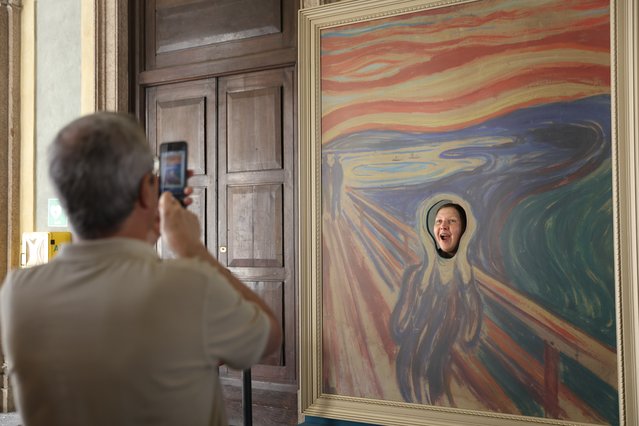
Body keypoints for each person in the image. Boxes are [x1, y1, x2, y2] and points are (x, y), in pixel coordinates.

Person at [0, 112, 282, 426]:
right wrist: (190, 248)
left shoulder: (17, 292)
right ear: (146, 191)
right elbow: (269, 335)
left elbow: (115, 287)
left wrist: (146, 227)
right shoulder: (191, 286)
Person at [390, 197, 481, 406]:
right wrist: (427, 270)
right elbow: (400, 328)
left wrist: (466, 277)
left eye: (452, 221)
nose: (444, 226)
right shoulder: (414, 276)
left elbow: (469, 335)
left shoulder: (466, 283)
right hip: (406, 377)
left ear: (465, 231)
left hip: (443, 384)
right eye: (439, 221)